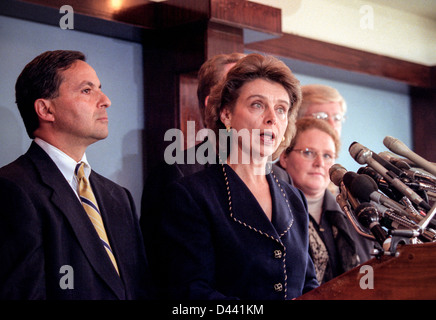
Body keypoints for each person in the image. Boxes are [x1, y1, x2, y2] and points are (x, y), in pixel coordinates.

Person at [154, 53, 319, 300]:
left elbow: (309, 284)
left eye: (281, 109)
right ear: (226, 114)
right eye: (257, 104)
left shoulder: (295, 198)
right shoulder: (191, 195)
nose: (272, 118)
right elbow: (191, 293)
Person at [0, 50, 151, 299]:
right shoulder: (12, 189)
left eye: (99, 88)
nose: (106, 100)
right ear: (46, 110)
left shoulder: (118, 196)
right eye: (87, 90)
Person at [279, 118, 373, 284]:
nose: (320, 163)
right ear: (284, 157)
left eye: (327, 155)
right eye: (308, 152)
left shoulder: (354, 212)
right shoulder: (273, 210)